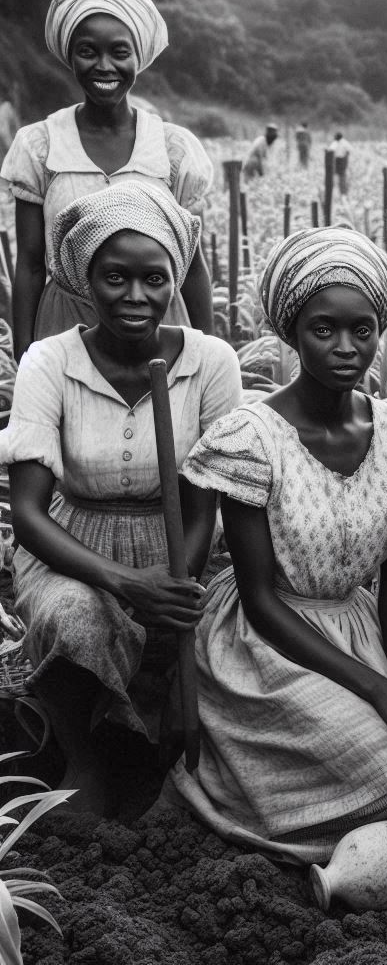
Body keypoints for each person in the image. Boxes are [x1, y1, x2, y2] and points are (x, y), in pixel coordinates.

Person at [167, 227, 387, 864]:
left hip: (365, 629)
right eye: (324, 329)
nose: (347, 348)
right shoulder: (250, 440)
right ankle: (237, 808)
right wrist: (380, 696)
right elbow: (262, 600)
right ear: (291, 331)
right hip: (268, 643)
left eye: (364, 329)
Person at [0, 182, 242, 815]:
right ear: (86, 279)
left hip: (180, 541)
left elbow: (205, 501)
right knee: (80, 615)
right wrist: (126, 583)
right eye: (115, 277)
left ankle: (169, 753)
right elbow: (27, 514)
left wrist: (175, 577)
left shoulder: (210, 362)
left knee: (223, 637)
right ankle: (82, 756)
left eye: (154, 279)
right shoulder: (50, 361)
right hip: (74, 545)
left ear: (175, 280)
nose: (136, 297)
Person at [0, 0, 215, 361]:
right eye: (87, 51)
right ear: (70, 56)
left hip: (159, 332)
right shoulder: (39, 146)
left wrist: (213, 356)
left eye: (119, 52)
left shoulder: (173, 150)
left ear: (138, 58)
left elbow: (193, 268)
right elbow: (29, 266)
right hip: (66, 333)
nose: (104, 66)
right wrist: (26, 360)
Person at [329, 131, 353, 196]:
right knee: (336, 176)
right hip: (336, 160)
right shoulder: (335, 143)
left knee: (342, 176)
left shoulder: (344, 142)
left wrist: (345, 157)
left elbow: (349, 150)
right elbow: (330, 150)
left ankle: (343, 191)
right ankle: (339, 191)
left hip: (342, 160)